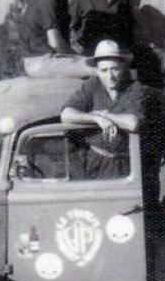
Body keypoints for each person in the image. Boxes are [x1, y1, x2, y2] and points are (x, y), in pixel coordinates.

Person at [61, 40, 146, 179]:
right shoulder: (91, 86)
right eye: (104, 70)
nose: (110, 76)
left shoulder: (134, 88)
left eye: (115, 69)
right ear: (97, 71)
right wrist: (95, 118)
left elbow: (133, 123)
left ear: (123, 66)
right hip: (93, 162)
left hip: (125, 166)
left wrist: (103, 114)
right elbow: (66, 115)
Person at [20, 0, 91, 78]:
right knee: (98, 70)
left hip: (50, 58)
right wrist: (81, 59)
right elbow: (56, 43)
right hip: (40, 61)